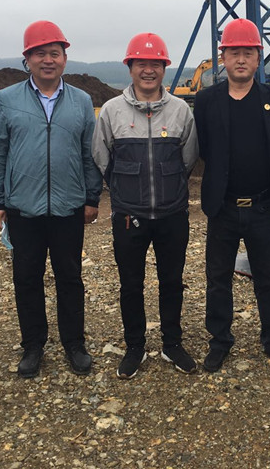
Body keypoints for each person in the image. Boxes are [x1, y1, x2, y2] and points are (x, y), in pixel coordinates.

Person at [0, 21, 102, 379]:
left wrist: (92, 196)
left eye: (54, 53)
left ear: (64, 58)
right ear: (27, 59)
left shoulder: (82, 101)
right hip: (24, 207)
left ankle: (74, 344)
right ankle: (33, 345)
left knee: (70, 277)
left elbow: (90, 155)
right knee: (27, 278)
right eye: (40, 54)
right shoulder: (7, 99)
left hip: (69, 206)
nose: (48, 60)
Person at [193, 18, 270, 372]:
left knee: (267, 277)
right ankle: (220, 341)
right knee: (218, 279)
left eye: (248, 53)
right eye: (234, 52)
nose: (241, 59)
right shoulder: (206, 100)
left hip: (261, 205)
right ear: (223, 57)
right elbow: (205, 148)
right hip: (223, 207)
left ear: (258, 58)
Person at [92, 33, 199, 379]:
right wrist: (126, 191)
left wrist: (168, 189)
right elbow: (101, 157)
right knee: (130, 284)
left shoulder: (181, 110)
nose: (148, 70)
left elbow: (187, 158)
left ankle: (172, 344)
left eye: (156, 64)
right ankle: (135, 346)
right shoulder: (111, 111)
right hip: (129, 216)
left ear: (164, 68)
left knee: (172, 281)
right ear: (130, 67)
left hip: (172, 214)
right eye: (141, 64)